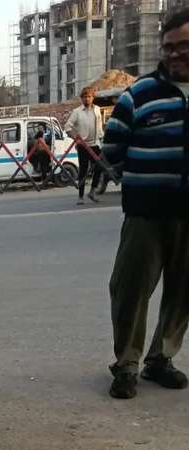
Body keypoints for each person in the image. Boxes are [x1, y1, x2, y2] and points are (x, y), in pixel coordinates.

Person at [103, 6, 189, 400]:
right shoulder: (139, 94)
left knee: (182, 291)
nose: (174, 54)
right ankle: (126, 365)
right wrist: (141, 185)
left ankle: (161, 358)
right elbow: (113, 148)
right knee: (130, 291)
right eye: (169, 46)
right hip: (145, 215)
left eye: (183, 46)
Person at [65, 87, 104, 204]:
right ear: (81, 99)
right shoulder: (77, 112)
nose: (87, 99)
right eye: (84, 97)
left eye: (89, 97)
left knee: (98, 167)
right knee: (83, 169)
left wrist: (102, 139)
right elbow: (68, 127)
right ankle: (80, 196)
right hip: (83, 145)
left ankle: (92, 191)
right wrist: (76, 139)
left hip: (96, 143)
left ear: (93, 98)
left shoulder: (97, 109)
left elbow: (100, 127)